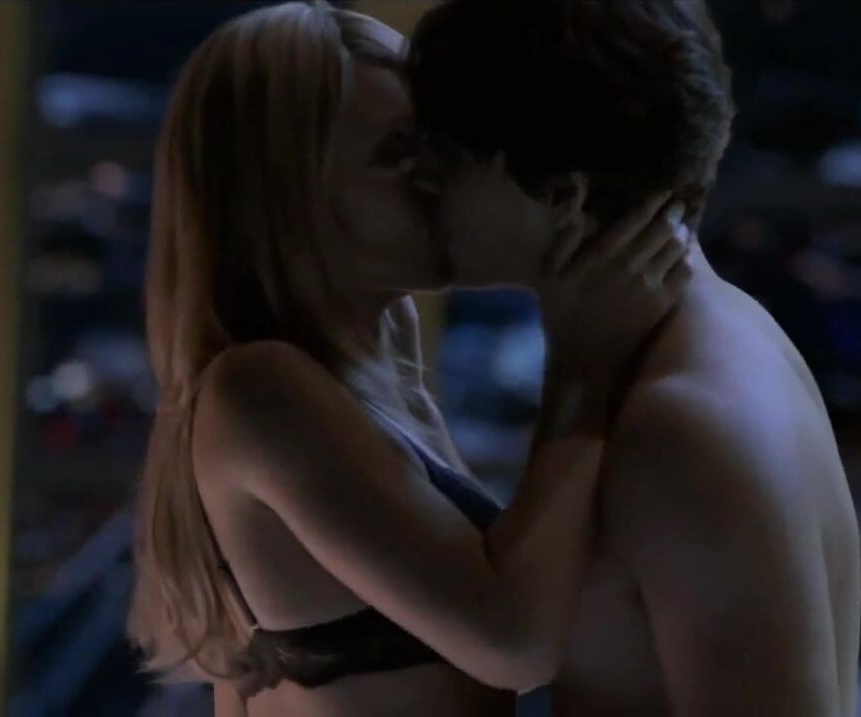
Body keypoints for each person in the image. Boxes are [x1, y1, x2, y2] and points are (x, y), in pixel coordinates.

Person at [126, 2, 693, 715]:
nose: (438, 176)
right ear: (287, 192)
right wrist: (584, 361)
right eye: (396, 153)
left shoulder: (369, 357)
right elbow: (512, 642)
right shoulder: (259, 388)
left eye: (435, 144)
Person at [407, 1, 861, 714]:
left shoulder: (680, 422)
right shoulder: (711, 340)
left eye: (447, 159)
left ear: (561, 195)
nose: (421, 184)